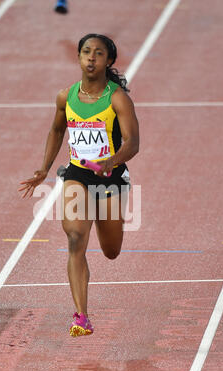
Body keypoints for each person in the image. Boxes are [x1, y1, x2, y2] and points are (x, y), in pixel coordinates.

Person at [19, 34, 139, 337]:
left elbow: (133, 142)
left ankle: (104, 225)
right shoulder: (65, 96)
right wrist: (43, 169)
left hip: (111, 178)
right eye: (86, 52)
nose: (91, 58)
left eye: (99, 54)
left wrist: (112, 161)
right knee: (75, 238)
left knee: (111, 250)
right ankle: (81, 316)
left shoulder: (117, 99)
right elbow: (57, 129)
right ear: (78, 57)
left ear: (109, 61)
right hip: (77, 175)